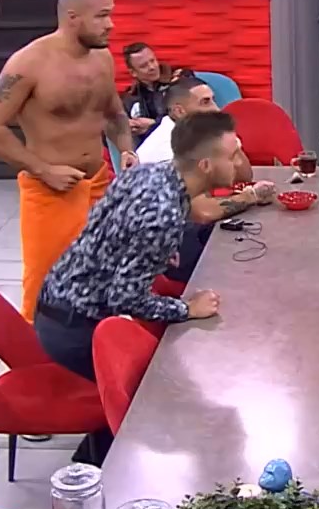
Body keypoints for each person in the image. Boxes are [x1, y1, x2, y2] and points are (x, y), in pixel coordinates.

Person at [0, 0, 137, 321]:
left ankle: (95, 344)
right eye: (102, 16)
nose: (111, 24)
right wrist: (44, 170)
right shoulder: (28, 63)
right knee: (43, 288)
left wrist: (126, 149)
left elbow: (114, 114)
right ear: (73, 17)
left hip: (98, 183)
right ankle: (35, 350)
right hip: (50, 191)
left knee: (102, 272)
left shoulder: (103, 58)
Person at [35, 111, 238, 385]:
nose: (238, 162)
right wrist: (187, 309)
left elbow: (111, 227)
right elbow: (125, 299)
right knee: (170, 385)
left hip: (55, 305)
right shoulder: (163, 216)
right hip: (74, 331)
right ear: (206, 165)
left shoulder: (148, 172)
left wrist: (157, 252)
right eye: (232, 156)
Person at [135, 76, 273, 283]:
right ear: (179, 111)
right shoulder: (165, 147)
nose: (216, 109)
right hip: (162, 250)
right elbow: (202, 212)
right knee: (247, 265)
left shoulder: (195, 135)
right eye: (205, 102)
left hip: (187, 227)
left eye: (213, 100)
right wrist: (251, 196)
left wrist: (233, 147)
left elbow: (244, 175)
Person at [122, 42, 184, 144]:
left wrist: (155, 124)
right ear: (133, 72)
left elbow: (193, 116)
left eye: (152, 60)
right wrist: (127, 126)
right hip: (151, 146)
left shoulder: (180, 79)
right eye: (144, 66)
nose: (152, 67)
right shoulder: (131, 98)